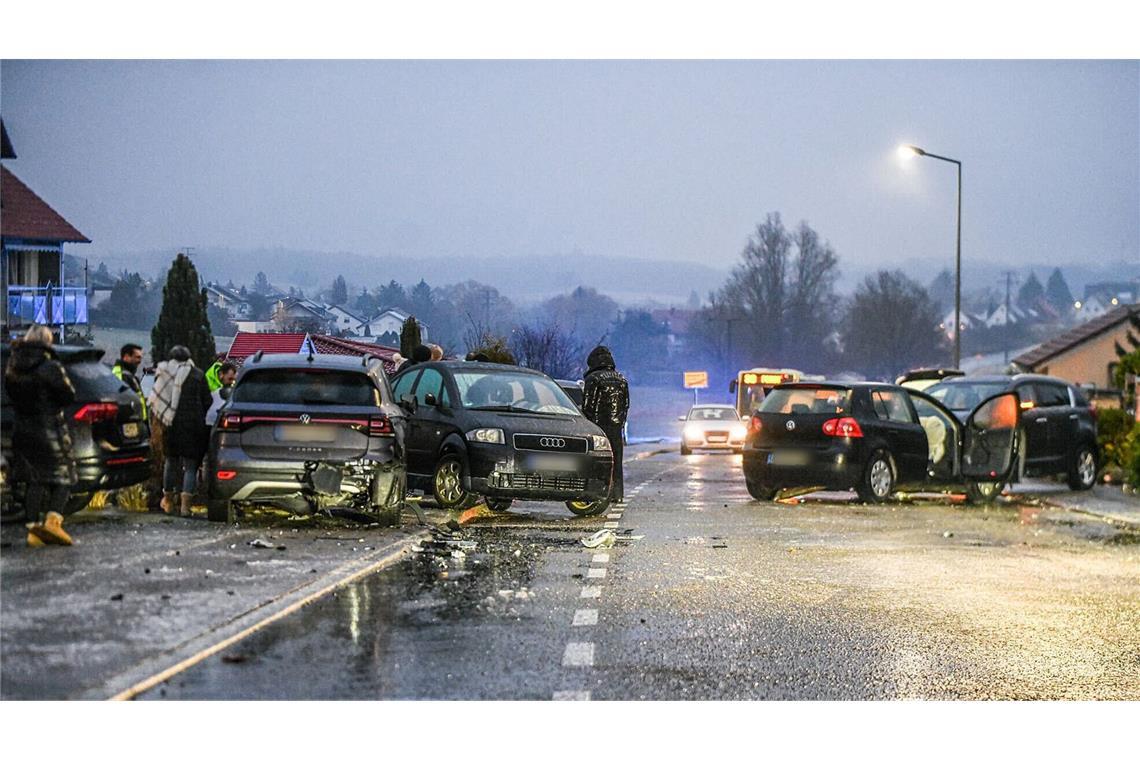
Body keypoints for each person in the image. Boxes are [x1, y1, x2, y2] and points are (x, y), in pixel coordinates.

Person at [4, 324, 78, 546]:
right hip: (49, 428)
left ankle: (33, 528)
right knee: (65, 476)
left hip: (23, 429)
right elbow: (68, 395)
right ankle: (52, 523)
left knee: (34, 479)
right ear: (47, 341)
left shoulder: (13, 366)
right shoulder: (50, 366)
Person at [148, 345, 213, 517]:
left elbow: (155, 401)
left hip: (170, 425)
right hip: (193, 427)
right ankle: (185, 507)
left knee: (171, 462)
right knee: (190, 466)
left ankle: (168, 502)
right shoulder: (198, 375)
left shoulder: (164, 375)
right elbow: (208, 400)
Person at [582, 345, 630, 503]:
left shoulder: (593, 379)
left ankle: (599, 493)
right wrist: (620, 422)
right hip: (616, 426)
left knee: (597, 461)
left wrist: (588, 423)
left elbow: (588, 405)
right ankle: (617, 494)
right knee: (616, 461)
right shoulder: (621, 379)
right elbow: (626, 405)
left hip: (598, 426)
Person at [112, 342, 148, 420]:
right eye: (137, 357)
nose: (140, 361)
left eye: (141, 358)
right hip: (127, 423)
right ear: (126, 357)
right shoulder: (120, 374)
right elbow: (120, 400)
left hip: (136, 421)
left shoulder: (130, 375)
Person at [205, 361, 238, 426]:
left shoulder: (225, 386)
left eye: (234, 380)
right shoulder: (207, 382)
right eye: (230, 379)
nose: (232, 382)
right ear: (221, 375)